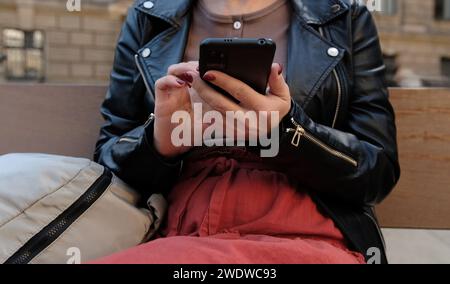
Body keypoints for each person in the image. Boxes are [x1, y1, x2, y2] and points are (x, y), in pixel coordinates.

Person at [93, 0, 400, 264]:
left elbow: (377, 170)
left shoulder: (345, 17)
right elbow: (108, 158)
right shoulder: (149, 16)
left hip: (304, 229)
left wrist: (284, 131)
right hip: (182, 228)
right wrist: (161, 141)